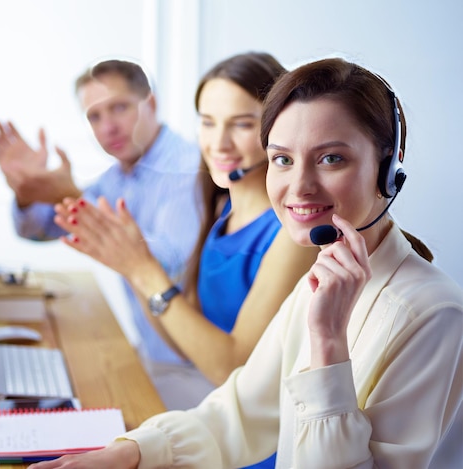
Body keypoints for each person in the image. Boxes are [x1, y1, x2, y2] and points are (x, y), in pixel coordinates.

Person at [27, 57, 463, 468]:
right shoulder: (323, 272)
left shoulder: (433, 315)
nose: (300, 185)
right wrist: (129, 452)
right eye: (283, 159)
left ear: (389, 168)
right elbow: (238, 412)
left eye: (331, 158)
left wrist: (328, 343)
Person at [54, 52, 318, 426]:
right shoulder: (223, 211)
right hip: (213, 407)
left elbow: (234, 369)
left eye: (241, 124)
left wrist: (143, 269)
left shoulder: (292, 235)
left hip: (256, 434)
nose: (218, 143)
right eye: (208, 123)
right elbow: (182, 341)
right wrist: (130, 265)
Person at [0, 60, 204, 407]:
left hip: (194, 371)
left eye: (119, 107)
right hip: (155, 356)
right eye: (94, 116)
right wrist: (29, 190)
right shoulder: (118, 177)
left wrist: (66, 194)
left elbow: (168, 263)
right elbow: (39, 229)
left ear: (151, 102)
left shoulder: (188, 168)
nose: (109, 127)